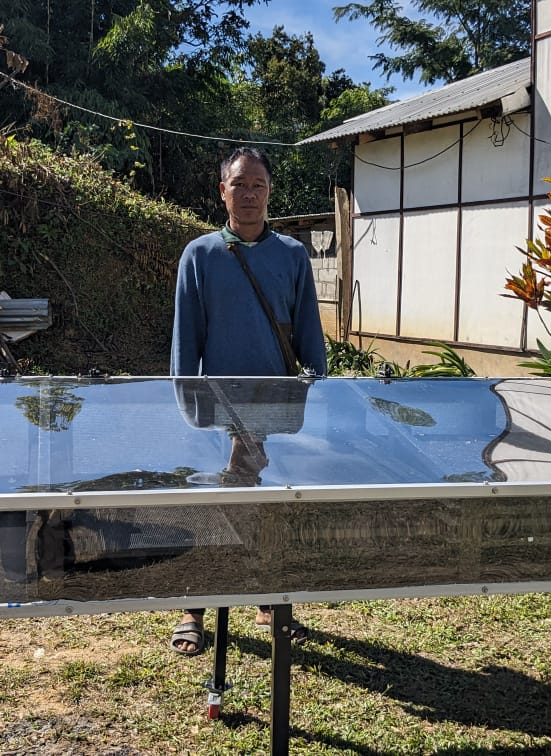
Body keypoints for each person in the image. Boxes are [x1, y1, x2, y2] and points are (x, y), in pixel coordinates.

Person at [167, 146, 327, 656]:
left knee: (270, 505)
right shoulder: (200, 254)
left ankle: (270, 601)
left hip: (274, 402)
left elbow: (309, 334)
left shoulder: (292, 255)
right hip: (215, 406)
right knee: (211, 503)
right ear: (222, 191)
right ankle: (193, 609)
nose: (250, 194)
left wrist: (314, 392)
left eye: (258, 184)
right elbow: (184, 339)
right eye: (240, 184)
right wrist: (186, 404)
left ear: (269, 191)